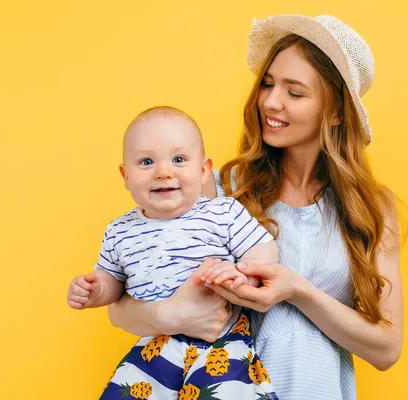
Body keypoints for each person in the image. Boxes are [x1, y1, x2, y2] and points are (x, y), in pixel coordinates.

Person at [107, 14, 404, 400]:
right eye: (267, 84)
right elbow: (120, 308)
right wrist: (169, 315)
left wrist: (297, 290)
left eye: (294, 92)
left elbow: (387, 349)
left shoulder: (372, 208)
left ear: (335, 112)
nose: (270, 101)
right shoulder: (217, 190)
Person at [66, 106, 280, 399]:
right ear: (125, 175)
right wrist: (95, 290)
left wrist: (242, 275)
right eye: (146, 162)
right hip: (155, 344)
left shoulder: (222, 212)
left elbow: (264, 249)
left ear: (204, 171)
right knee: (124, 391)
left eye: (179, 159)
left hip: (221, 341)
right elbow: (112, 282)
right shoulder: (120, 231)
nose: (164, 172)